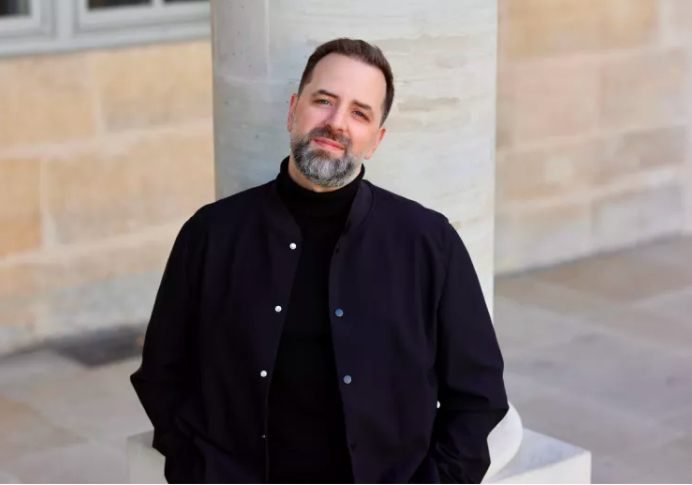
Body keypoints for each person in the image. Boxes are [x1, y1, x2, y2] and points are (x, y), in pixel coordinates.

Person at [131, 38, 508, 484]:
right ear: (294, 111)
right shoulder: (210, 234)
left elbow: (478, 396)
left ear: (376, 140)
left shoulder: (430, 242)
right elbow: (162, 376)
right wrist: (198, 470)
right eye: (324, 101)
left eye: (359, 113)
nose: (336, 123)